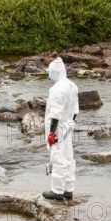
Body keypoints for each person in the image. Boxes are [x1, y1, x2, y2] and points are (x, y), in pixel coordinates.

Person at [43, 57, 79, 200]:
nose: (49, 74)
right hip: (68, 125)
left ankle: (57, 190)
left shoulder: (57, 88)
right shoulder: (72, 85)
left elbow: (55, 113)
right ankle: (68, 189)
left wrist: (52, 133)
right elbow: (75, 110)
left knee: (57, 157)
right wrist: (70, 124)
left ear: (55, 72)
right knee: (68, 157)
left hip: (58, 127)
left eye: (51, 72)